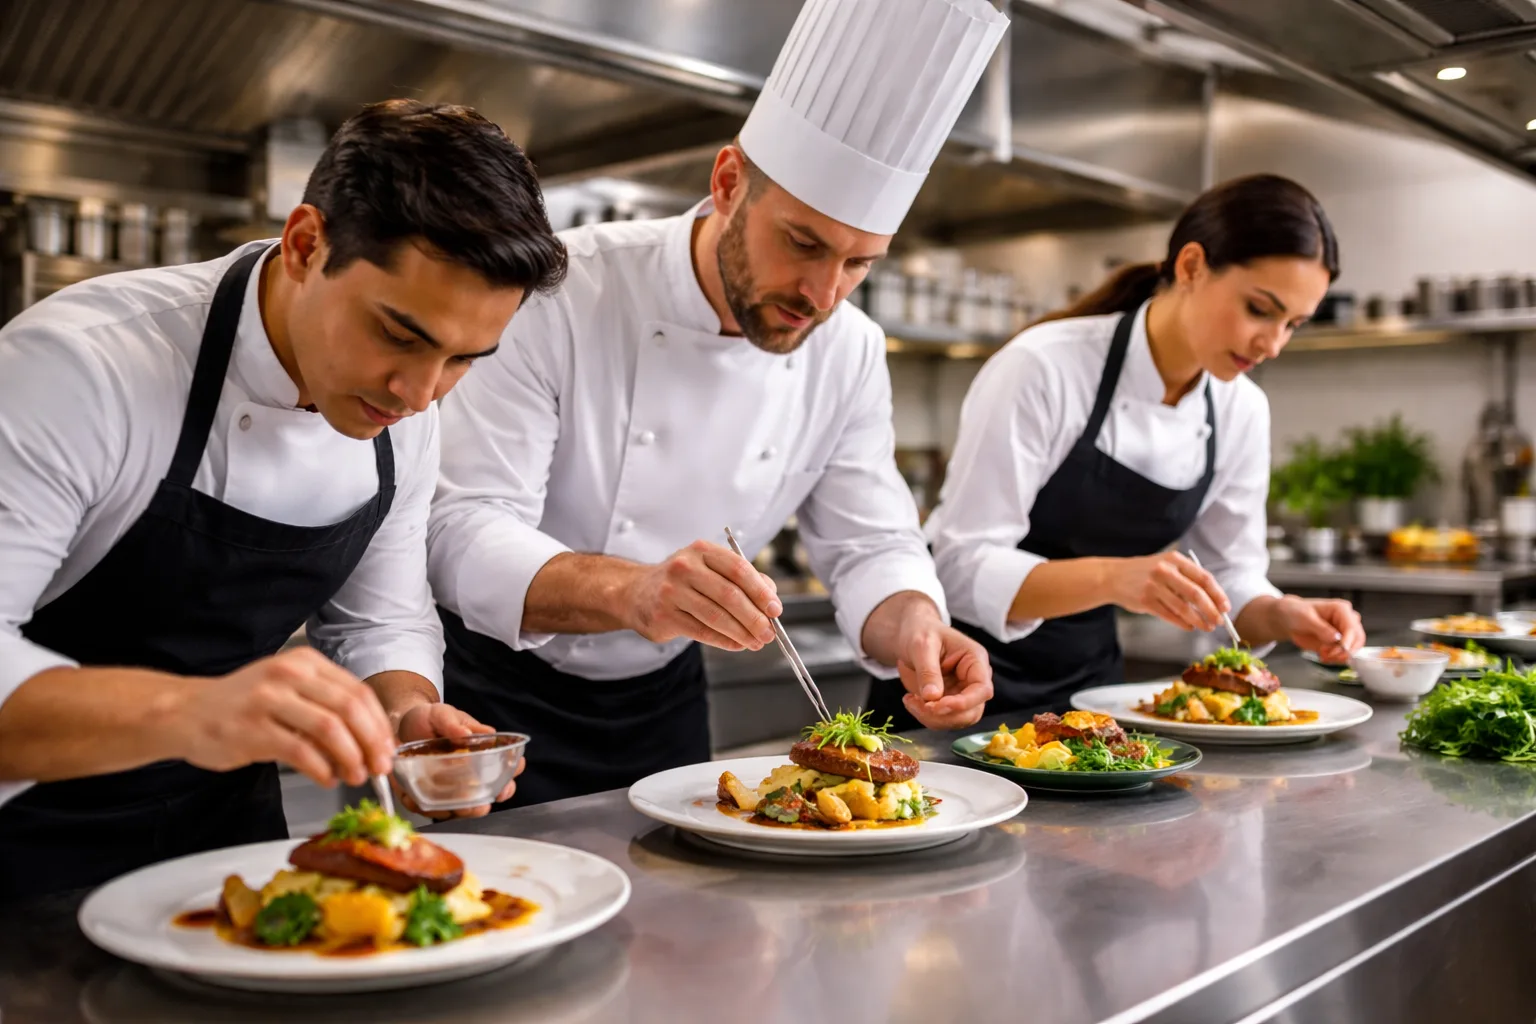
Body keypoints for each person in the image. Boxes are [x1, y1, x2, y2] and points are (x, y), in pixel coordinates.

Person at [427, 0, 1009, 806]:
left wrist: (915, 621)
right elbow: (462, 528)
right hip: (488, 702)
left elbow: (869, 543)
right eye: (803, 243)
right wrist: (633, 590)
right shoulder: (563, 292)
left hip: (664, 700)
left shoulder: (849, 349)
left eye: (858, 264)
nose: (822, 294)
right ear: (729, 182)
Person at [0, 99, 568, 897]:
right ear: (306, 245)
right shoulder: (79, 368)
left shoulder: (405, 410)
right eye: (398, 335)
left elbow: (379, 620)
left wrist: (406, 717)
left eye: (463, 359)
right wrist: (196, 713)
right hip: (25, 853)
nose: (420, 393)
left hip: (228, 854)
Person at [888, 174, 1367, 723]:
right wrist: (1117, 579)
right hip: (951, 682)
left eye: (1293, 324)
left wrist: (1282, 614)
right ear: (1191, 266)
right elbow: (960, 566)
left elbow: (1231, 577)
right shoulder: (1044, 367)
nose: (1274, 344)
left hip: (1089, 700)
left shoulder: (1241, 410)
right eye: (1260, 309)